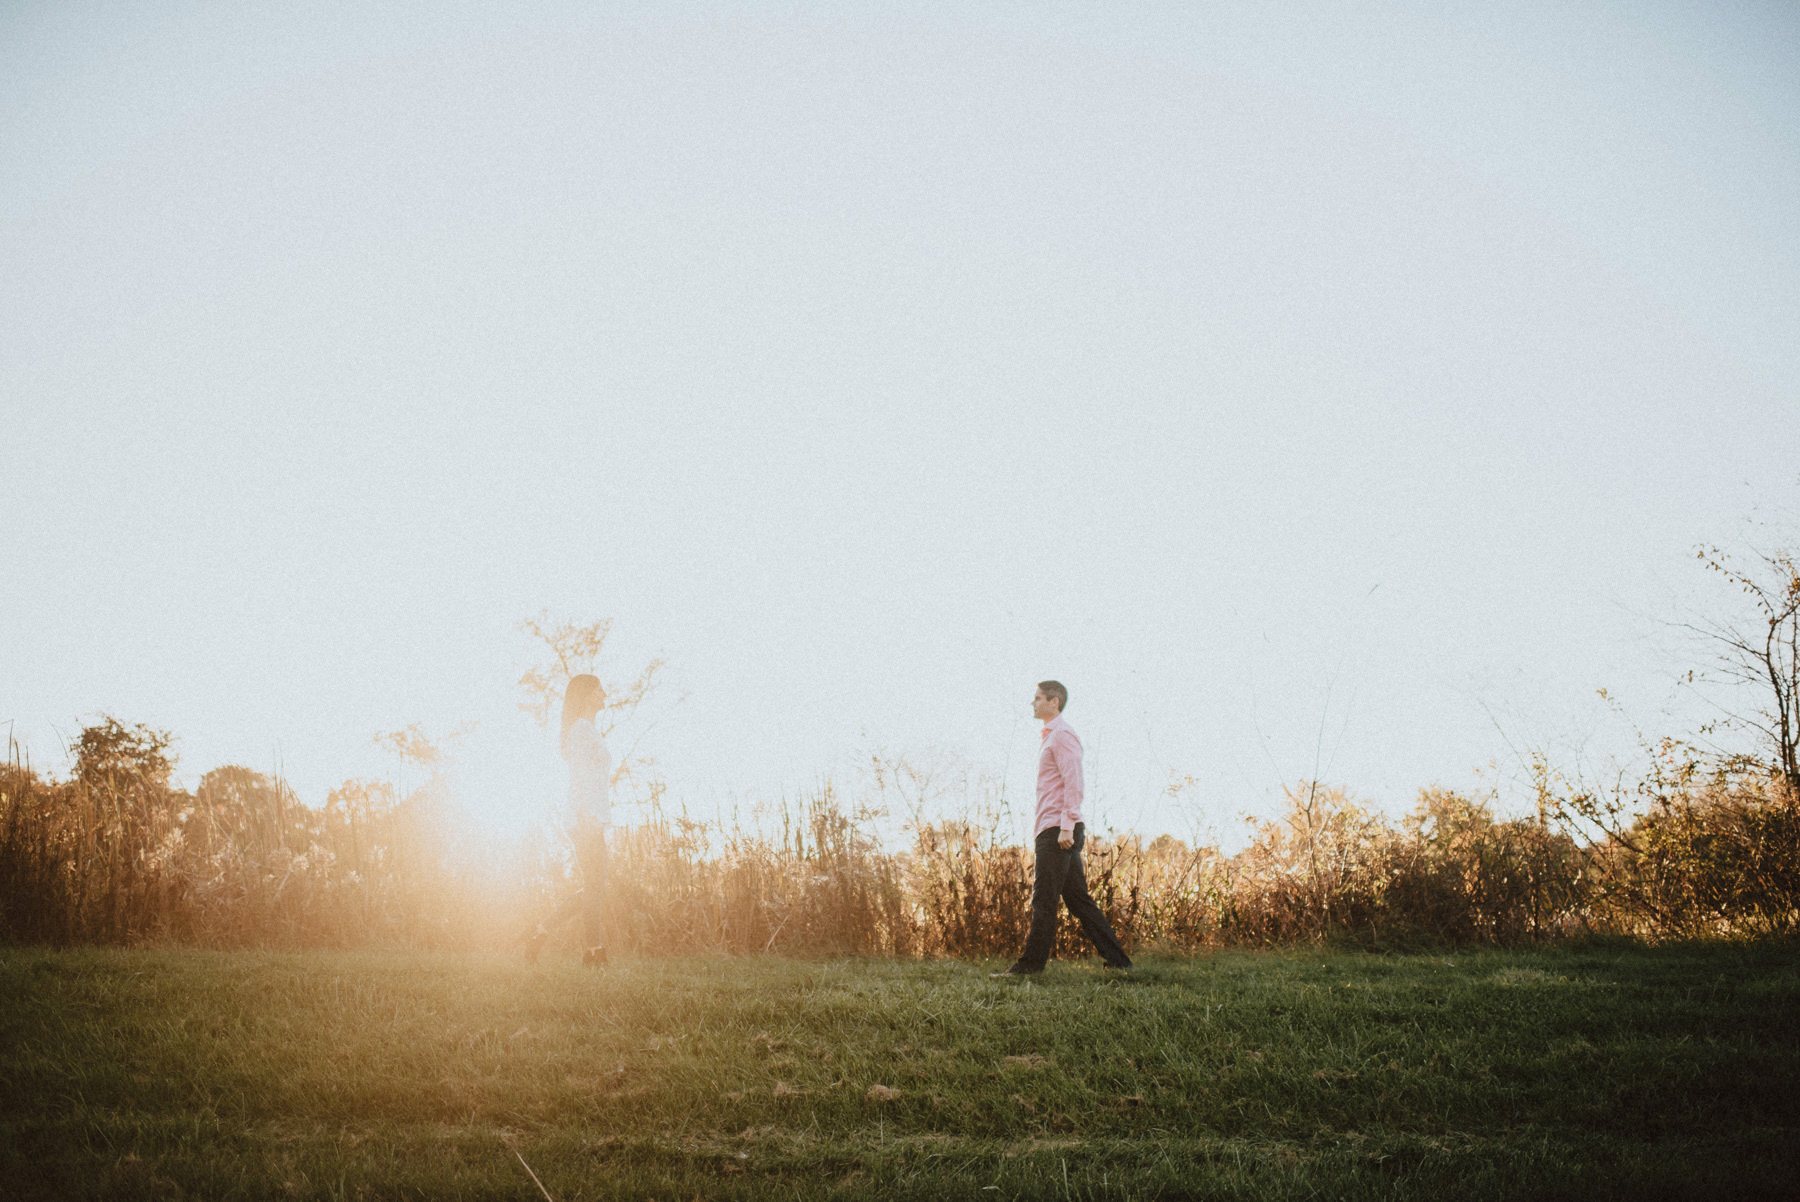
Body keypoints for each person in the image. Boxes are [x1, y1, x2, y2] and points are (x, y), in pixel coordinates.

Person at [992, 680, 1132, 977]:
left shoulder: (1062, 736)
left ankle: (1029, 966)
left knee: (1044, 898)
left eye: (1038, 698)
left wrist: (1066, 827)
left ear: (1054, 702)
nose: (1033, 703)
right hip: (1053, 827)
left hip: (1058, 830)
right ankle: (1119, 962)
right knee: (1079, 900)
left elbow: (1074, 783)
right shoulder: (1051, 736)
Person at [523, 674, 612, 966]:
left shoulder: (587, 729)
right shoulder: (581, 730)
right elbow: (579, 775)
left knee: (594, 886)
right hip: (583, 817)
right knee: (595, 885)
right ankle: (593, 952)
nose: (604, 693)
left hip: (590, 816)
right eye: (599, 689)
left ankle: (540, 932)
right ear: (586, 694)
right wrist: (587, 814)